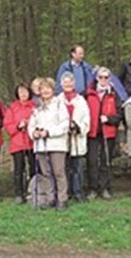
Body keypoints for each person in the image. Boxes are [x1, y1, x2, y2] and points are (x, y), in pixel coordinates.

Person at [28, 78, 70, 210]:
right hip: (41, 145)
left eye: (48, 88)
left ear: (53, 90)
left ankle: (62, 199)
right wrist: (33, 133)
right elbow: (31, 125)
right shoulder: (37, 107)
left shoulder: (59, 104)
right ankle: (50, 197)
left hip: (57, 144)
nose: (45, 91)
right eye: (42, 89)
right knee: (46, 173)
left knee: (58, 172)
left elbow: (65, 125)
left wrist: (49, 132)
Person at [85, 67, 123, 200]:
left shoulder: (114, 94)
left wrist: (109, 119)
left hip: (108, 132)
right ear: (96, 78)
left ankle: (105, 188)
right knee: (92, 161)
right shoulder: (88, 93)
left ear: (109, 79)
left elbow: (119, 114)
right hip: (93, 132)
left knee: (105, 161)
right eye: (101, 77)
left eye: (106, 77)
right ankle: (93, 188)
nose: (103, 80)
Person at [57, 72, 90, 203]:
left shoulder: (81, 100)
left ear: (74, 83)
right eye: (65, 82)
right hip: (63, 139)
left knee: (78, 167)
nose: (68, 84)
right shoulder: (57, 100)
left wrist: (78, 127)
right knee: (65, 168)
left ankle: (79, 192)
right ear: (61, 84)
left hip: (77, 138)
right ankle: (67, 192)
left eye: (70, 82)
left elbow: (87, 119)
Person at [4, 83, 36, 204]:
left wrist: (30, 124)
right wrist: (18, 126)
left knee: (33, 168)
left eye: (25, 91)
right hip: (18, 143)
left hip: (32, 142)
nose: (23, 94)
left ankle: (32, 191)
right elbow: (7, 125)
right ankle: (19, 193)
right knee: (19, 169)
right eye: (20, 91)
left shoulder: (34, 107)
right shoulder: (12, 108)